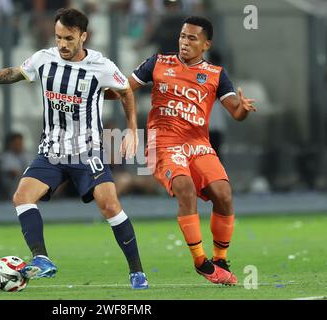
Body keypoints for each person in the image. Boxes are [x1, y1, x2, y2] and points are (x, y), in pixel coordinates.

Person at [0, 8, 149, 290]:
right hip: (51, 152)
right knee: (22, 196)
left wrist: (131, 129)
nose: (62, 44)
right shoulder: (44, 59)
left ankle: (137, 272)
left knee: (110, 206)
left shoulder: (101, 66)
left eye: (68, 38)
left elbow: (125, 90)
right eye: (58, 37)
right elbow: (13, 73)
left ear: (83, 36)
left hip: (87, 153)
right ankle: (41, 258)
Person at [109, 16, 257, 285]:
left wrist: (244, 109)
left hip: (198, 144)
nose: (184, 42)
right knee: (185, 188)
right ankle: (201, 262)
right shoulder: (157, 63)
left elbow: (235, 111)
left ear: (206, 44)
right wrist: (98, 88)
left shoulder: (215, 74)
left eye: (192, 38)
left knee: (223, 194)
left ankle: (220, 259)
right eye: (182, 36)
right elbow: (123, 89)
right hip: (162, 142)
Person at [0, 132, 32, 201]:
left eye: (20, 143)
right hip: (13, 186)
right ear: (11, 144)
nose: (19, 146)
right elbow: (12, 172)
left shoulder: (28, 156)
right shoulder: (5, 157)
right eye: (16, 144)